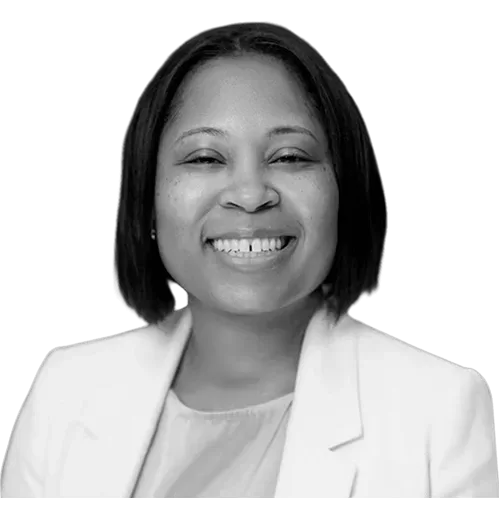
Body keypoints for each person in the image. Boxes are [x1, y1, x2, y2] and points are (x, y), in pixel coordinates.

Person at [0, 22, 498, 498]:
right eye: (205, 158)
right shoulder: (65, 390)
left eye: (289, 157)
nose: (250, 194)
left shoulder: (438, 410)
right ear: (147, 200)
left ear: (344, 192)